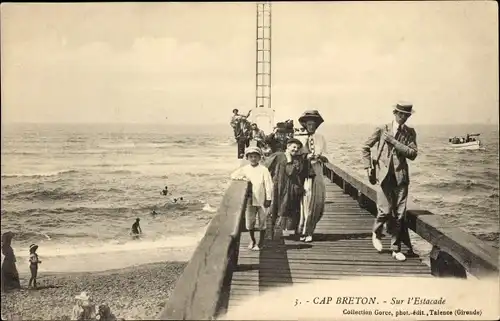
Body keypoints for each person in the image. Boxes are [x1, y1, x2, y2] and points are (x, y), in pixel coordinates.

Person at [361, 101, 418, 262]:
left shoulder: (410, 132)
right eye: (401, 114)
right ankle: (377, 233)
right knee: (385, 211)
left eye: (407, 115)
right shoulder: (382, 129)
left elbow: (413, 153)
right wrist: (367, 168)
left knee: (400, 215)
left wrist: (394, 142)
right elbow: (365, 147)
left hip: (400, 178)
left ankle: (395, 248)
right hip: (384, 177)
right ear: (395, 113)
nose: (404, 118)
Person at [263, 138, 308, 238]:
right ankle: (269, 234)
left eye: (298, 148)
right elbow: (265, 167)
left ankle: (293, 231)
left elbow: (292, 172)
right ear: (288, 146)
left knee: (292, 210)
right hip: (278, 187)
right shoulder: (278, 155)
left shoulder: (298, 160)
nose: (295, 150)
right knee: (273, 209)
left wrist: (289, 160)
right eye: (294, 147)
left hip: (292, 189)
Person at [230, 147, 273, 250]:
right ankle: (252, 240)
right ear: (247, 158)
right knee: (250, 222)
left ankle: (261, 241)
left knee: (262, 221)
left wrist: (269, 198)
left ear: (259, 158)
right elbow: (233, 175)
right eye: (251, 157)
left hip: (262, 200)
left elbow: (269, 185)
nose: (253, 159)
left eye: (255, 157)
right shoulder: (245, 169)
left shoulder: (264, 169)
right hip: (250, 200)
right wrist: (243, 178)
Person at [296, 110, 329, 243]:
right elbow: (295, 155)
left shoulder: (321, 138)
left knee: (318, 202)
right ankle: (305, 230)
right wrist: (306, 156)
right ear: (305, 125)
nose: (311, 126)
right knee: (306, 201)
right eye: (309, 124)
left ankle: (310, 229)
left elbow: (327, 157)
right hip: (305, 173)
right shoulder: (299, 138)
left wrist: (319, 157)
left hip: (317, 170)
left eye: (313, 124)